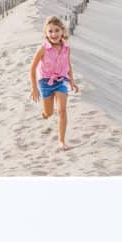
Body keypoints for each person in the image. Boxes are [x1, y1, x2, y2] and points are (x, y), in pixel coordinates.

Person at [29, 16, 79, 151]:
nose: (54, 34)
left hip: (60, 81)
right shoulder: (43, 49)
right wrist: (34, 88)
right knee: (49, 113)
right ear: (46, 33)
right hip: (45, 83)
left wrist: (71, 80)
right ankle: (45, 114)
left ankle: (62, 141)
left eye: (57, 30)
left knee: (62, 110)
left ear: (62, 31)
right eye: (50, 31)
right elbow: (32, 68)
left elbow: (68, 64)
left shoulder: (66, 47)